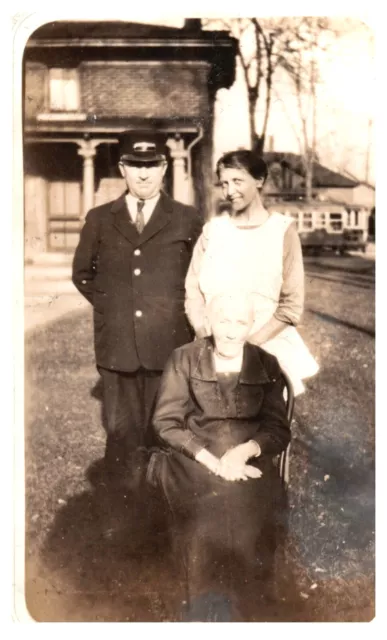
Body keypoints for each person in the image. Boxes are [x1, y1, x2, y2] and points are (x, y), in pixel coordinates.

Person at [147, 293, 291, 621]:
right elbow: (166, 422)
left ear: (251, 325)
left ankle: (247, 608)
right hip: (194, 459)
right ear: (209, 322)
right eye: (223, 321)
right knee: (203, 516)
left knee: (249, 513)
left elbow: (277, 429)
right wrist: (214, 462)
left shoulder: (265, 363)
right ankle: (197, 607)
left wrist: (243, 452)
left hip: (248, 462)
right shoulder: (183, 358)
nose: (230, 331)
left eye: (240, 322)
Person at [72, 130, 203, 486]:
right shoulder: (100, 218)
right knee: (120, 436)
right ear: (122, 168)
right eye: (135, 165)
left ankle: (164, 516)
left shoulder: (187, 219)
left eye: (152, 165)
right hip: (118, 350)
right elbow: (83, 274)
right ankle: (122, 520)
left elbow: (199, 276)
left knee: (169, 432)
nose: (144, 174)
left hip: (169, 347)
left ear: (164, 169)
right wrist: (115, 309)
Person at [185, 149, 319, 396]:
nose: (229, 191)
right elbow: (192, 290)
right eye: (224, 183)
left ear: (260, 181)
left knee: (265, 430)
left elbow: (291, 306)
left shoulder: (282, 231)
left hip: (267, 349)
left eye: (238, 181)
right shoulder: (213, 231)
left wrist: (246, 347)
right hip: (213, 351)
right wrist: (205, 336)